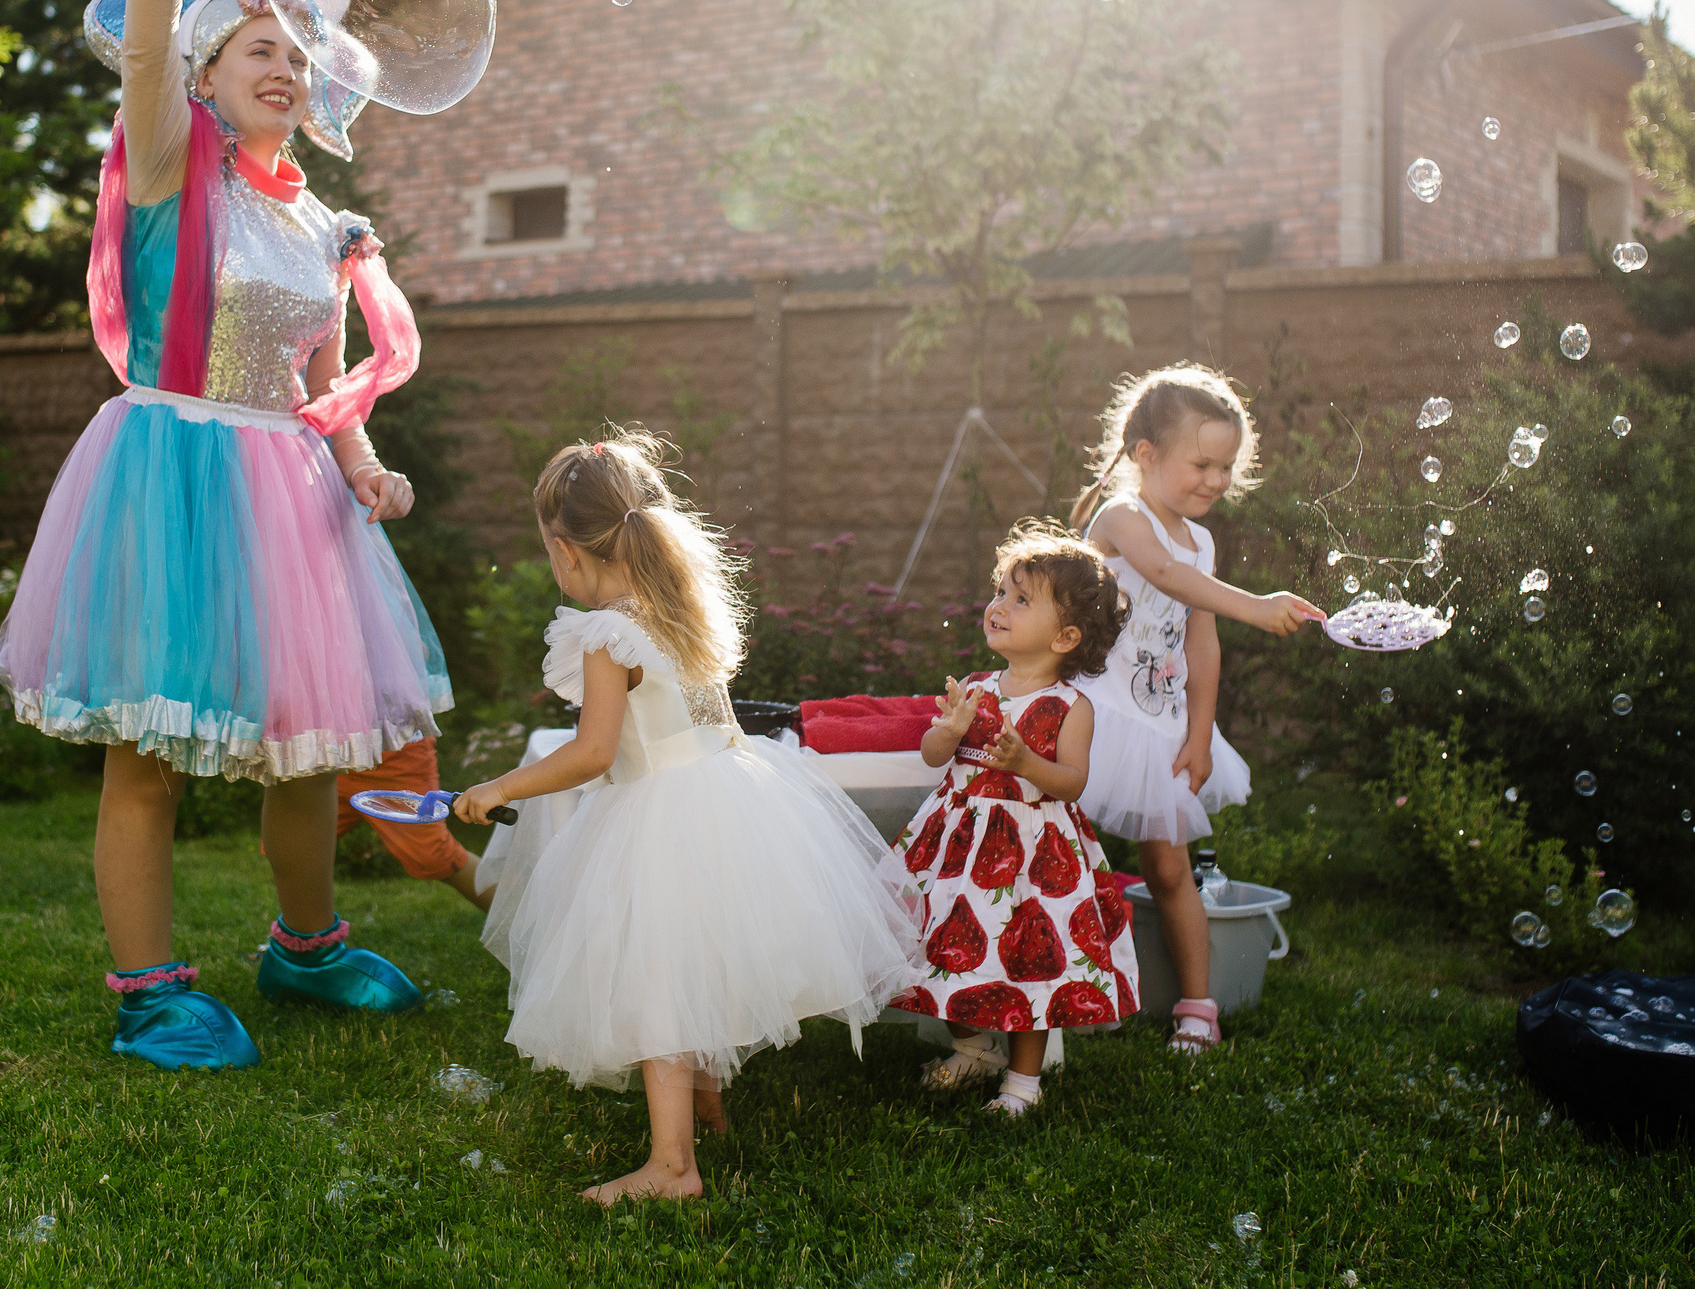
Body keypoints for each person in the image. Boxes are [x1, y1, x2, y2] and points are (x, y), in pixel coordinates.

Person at [0, 0, 452, 1073]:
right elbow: (140, 50)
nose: (283, 67)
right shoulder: (165, 168)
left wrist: (361, 468)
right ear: (202, 75)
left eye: (297, 59)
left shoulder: (319, 225)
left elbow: (319, 380)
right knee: (149, 749)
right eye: (257, 48)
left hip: (290, 492)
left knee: (301, 740)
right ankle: (150, 992)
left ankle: (304, 947)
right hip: (172, 471)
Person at [457, 432, 923, 1204]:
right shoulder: (677, 607)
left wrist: (502, 786)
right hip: (729, 792)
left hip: (659, 813)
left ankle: (672, 1165)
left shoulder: (608, 633)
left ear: (569, 553)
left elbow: (595, 752)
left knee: (658, 978)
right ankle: (705, 1095)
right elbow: (717, 721)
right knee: (701, 953)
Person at [1066, 364, 1322, 1054]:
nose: (1216, 480)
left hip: (1155, 728)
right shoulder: (1121, 518)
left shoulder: (1202, 540)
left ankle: (1197, 1007)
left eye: (1226, 467)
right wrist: (1258, 605)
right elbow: (1166, 577)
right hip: (1090, 718)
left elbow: (1201, 643)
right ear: (1147, 455)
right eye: (1202, 462)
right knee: (1061, 852)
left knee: (1170, 868)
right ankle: (1064, 990)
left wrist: (1199, 734)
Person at [887, 522, 1137, 1118]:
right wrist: (946, 732)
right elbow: (933, 756)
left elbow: (1072, 780)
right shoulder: (977, 687)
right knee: (941, 946)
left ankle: (1024, 1082)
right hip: (956, 847)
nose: (999, 605)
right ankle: (973, 1048)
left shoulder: (1069, 707)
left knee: (1031, 962)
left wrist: (1026, 761)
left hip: (1034, 858)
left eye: (1021, 600)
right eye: (1001, 592)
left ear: (1066, 636)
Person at [334, 738, 493, 910]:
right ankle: (314, 935)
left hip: (395, 748)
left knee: (433, 855)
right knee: (305, 847)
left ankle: (519, 924)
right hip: (326, 749)